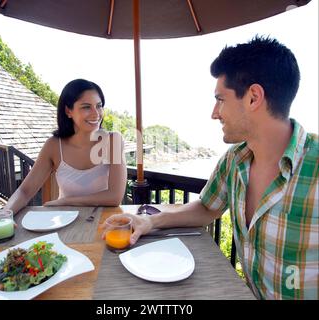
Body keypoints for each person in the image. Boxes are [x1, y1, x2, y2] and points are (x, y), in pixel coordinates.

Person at [104, 36, 318, 300]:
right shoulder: (235, 160)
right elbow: (207, 208)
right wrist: (150, 221)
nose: (214, 112)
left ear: (253, 97)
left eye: (220, 99)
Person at [0, 79, 127, 241]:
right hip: (64, 223)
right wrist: (3, 213)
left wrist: (66, 200)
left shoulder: (113, 141)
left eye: (99, 106)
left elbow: (114, 196)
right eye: (86, 107)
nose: (96, 113)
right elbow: (25, 190)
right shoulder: (53, 146)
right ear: (68, 111)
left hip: (107, 224)